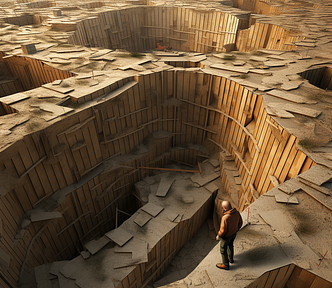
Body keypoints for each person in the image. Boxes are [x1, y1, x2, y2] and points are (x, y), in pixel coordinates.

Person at [215, 201, 243, 270]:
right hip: (234, 234)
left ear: (224, 208)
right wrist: (237, 228)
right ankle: (230, 258)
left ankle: (225, 264)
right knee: (230, 245)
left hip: (227, 236)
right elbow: (240, 222)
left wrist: (219, 235)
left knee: (223, 249)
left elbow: (223, 230)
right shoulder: (236, 213)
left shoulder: (225, 217)